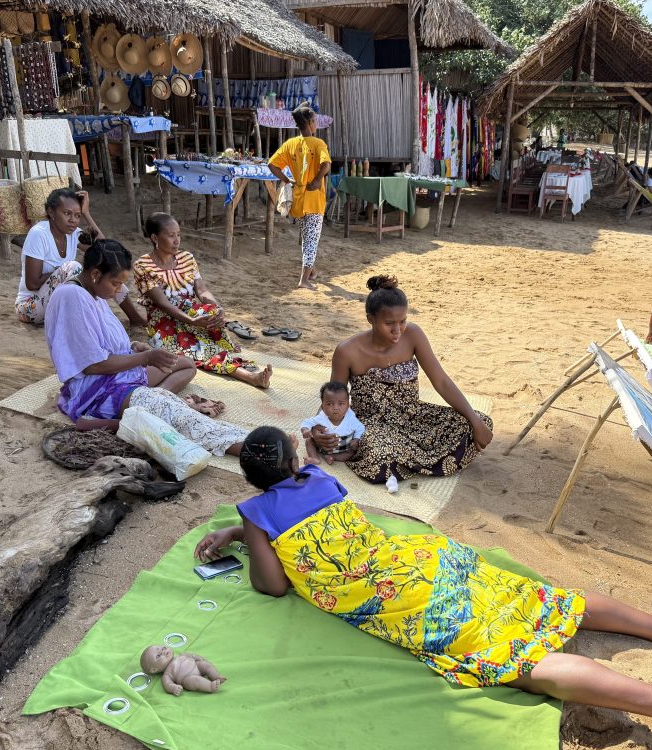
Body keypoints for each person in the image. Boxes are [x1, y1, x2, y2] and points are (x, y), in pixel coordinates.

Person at [195, 426, 652, 750]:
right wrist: (242, 531)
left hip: (406, 598)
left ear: (249, 480)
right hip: (423, 559)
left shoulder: (256, 511)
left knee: (513, 662)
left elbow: (272, 586)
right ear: (294, 462)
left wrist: (247, 530)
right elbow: (306, 520)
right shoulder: (318, 477)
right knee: (542, 601)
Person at [44, 238, 248, 454]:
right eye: (115, 283)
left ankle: (148, 407)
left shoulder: (91, 292)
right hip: (97, 391)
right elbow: (93, 365)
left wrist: (134, 347)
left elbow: (98, 343)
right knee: (181, 417)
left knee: (186, 365)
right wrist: (146, 358)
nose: (118, 290)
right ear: (95, 274)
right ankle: (252, 447)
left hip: (117, 377)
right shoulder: (72, 296)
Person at [323, 275, 493, 492]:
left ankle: (404, 461)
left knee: (480, 422)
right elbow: (334, 399)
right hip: (371, 424)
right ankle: (404, 459)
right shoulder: (347, 351)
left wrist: (475, 421)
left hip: (414, 416)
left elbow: (441, 381)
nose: (398, 330)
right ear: (370, 319)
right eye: (389, 324)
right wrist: (321, 429)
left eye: (402, 321)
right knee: (380, 456)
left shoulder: (413, 334)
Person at [134, 212, 272, 389]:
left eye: (178, 235)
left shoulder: (187, 258)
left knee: (211, 317)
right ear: (155, 238)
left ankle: (247, 373)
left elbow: (202, 290)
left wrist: (217, 307)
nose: (177, 240)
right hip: (165, 323)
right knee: (195, 350)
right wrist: (192, 321)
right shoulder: (143, 266)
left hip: (191, 314)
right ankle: (249, 376)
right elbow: (163, 304)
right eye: (171, 236)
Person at [16, 187, 144, 327]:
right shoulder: (39, 234)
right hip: (30, 307)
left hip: (59, 306)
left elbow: (105, 251)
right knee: (74, 267)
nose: (73, 220)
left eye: (77, 215)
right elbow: (32, 284)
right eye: (67, 213)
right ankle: (99, 318)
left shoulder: (73, 234)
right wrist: (64, 271)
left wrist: (87, 213)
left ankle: (134, 318)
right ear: (51, 212)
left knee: (107, 269)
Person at [268, 102, 331, 290]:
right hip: (314, 199)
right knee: (311, 240)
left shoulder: (291, 144)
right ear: (310, 123)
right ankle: (304, 280)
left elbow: (272, 165)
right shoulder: (318, 144)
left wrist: (286, 180)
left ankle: (311, 271)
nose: (316, 124)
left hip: (298, 199)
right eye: (315, 121)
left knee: (307, 237)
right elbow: (326, 165)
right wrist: (317, 180)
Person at [300, 380, 366, 466]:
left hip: (343, 447)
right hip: (322, 446)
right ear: (322, 406)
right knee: (309, 441)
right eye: (330, 404)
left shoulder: (350, 418)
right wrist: (305, 430)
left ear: (348, 405)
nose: (336, 408)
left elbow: (360, 428)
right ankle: (314, 458)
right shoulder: (322, 417)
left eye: (341, 404)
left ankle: (332, 457)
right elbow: (307, 422)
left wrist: (356, 439)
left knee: (351, 452)